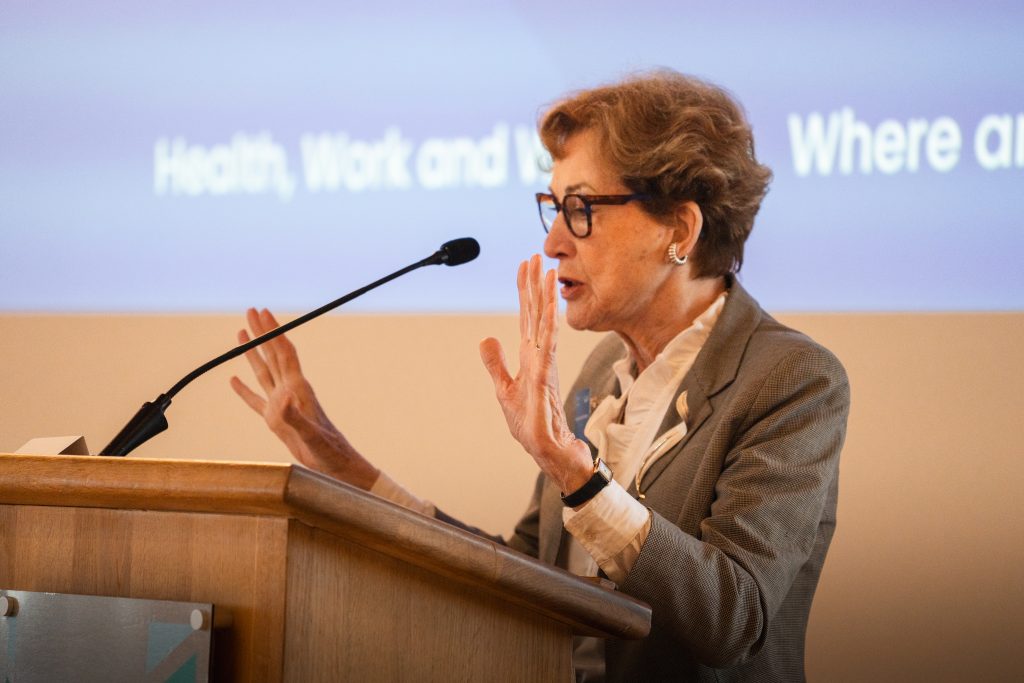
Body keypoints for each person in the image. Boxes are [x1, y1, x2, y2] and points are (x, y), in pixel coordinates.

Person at [230, 70, 850, 682]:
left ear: (679, 230)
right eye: (553, 208)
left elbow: (731, 621)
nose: (553, 241)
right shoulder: (603, 371)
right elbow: (526, 572)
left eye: (581, 209)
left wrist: (575, 473)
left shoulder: (792, 380)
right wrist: (342, 467)